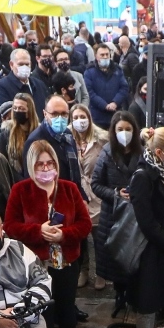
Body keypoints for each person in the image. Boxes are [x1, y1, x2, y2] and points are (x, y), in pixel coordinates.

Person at [4, 141, 91, 328]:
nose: (45, 168)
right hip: (36, 265)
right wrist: (37, 231)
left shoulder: (69, 188)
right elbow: (10, 226)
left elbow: (85, 224)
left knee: (66, 308)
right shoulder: (20, 190)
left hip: (67, 261)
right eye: (40, 163)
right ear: (31, 165)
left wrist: (65, 234)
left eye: (50, 163)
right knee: (43, 311)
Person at [125, 126, 164, 328]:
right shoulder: (143, 177)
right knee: (147, 304)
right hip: (148, 249)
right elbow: (146, 222)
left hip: (162, 244)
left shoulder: (163, 172)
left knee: (158, 300)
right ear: (159, 152)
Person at [68, 104, 110, 290]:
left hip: (97, 193)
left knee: (100, 237)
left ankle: (101, 272)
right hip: (77, 194)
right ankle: (83, 270)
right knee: (80, 237)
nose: (79, 121)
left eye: (82, 116)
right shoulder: (67, 139)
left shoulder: (101, 139)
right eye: (75, 117)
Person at [28, 95, 84, 191]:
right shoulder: (35, 140)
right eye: (54, 114)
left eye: (64, 114)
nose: (60, 118)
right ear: (45, 114)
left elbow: (75, 170)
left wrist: (81, 195)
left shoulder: (67, 135)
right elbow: (30, 181)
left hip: (71, 194)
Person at [85, 43, 130, 128]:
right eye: (102, 55)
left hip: (115, 114)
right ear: (96, 56)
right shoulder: (89, 72)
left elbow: (124, 88)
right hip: (97, 117)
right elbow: (89, 92)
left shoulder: (117, 69)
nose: (105, 57)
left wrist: (115, 102)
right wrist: (104, 105)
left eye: (107, 54)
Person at [0, 48, 48, 113]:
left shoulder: (39, 84)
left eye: (27, 64)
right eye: (21, 64)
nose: (24, 67)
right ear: (11, 65)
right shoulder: (2, 86)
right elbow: (8, 114)